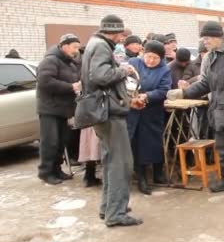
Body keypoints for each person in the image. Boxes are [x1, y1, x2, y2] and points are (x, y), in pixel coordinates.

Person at [167, 21, 224, 199]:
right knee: (223, 148)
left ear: (218, 37)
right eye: (203, 38)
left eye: (207, 38)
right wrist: (184, 93)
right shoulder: (210, 56)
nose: (205, 42)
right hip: (219, 110)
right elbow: (205, 83)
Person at [81, 14, 145, 227]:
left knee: (111, 161)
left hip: (103, 111)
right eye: (121, 34)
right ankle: (116, 213)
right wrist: (123, 70)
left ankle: (108, 207)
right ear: (116, 32)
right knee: (121, 163)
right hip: (108, 113)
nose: (122, 39)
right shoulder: (101, 46)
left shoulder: (94, 43)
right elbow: (100, 76)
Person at [36, 34, 82, 185]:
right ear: (64, 45)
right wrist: (70, 87)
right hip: (50, 108)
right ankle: (46, 172)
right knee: (50, 142)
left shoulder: (70, 62)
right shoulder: (50, 60)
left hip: (63, 109)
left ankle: (57, 169)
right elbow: (45, 81)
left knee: (61, 142)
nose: (77, 51)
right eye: (74, 47)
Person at [127, 40, 172, 195]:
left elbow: (164, 90)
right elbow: (125, 82)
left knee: (152, 144)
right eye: (148, 56)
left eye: (155, 58)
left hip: (152, 112)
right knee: (136, 145)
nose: (151, 60)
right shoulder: (133, 63)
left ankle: (158, 174)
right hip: (133, 111)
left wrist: (147, 96)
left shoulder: (164, 70)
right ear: (143, 54)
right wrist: (133, 96)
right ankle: (141, 178)